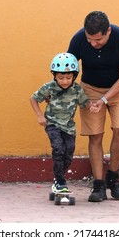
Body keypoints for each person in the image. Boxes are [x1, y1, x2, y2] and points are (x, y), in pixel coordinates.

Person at [67, 11, 119, 202]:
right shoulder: (79, 39)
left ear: (108, 31)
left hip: (118, 88)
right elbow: (68, 69)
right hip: (90, 89)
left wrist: (104, 99)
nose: (93, 44)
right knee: (95, 135)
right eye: (89, 39)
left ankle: (113, 177)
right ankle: (98, 185)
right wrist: (61, 93)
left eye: (98, 40)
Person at [30, 52, 99, 193]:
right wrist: (39, 116)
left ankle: (58, 179)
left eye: (68, 77)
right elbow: (33, 98)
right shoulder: (49, 87)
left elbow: (84, 103)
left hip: (69, 127)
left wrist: (92, 105)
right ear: (54, 75)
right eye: (61, 78)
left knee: (68, 153)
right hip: (52, 124)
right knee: (58, 149)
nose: (65, 81)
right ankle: (60, 182)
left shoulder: (77, 90)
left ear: (74, 76)